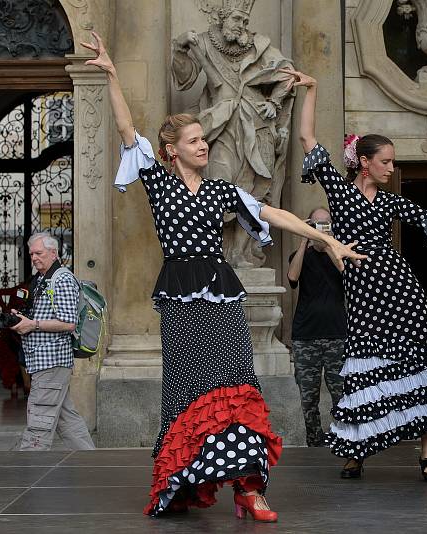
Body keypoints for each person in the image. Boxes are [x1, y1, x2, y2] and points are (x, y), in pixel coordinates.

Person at [82, 32, 365, 522]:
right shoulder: (157, 179)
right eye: (194, 142)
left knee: (236, 386)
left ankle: (249, 490)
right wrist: (110, 73)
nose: (204, 147)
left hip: (221, 293)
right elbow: (127, 127)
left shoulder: (221, 191)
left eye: (204, 141)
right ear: (171, 150)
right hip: (180, 299)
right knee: (187, 392)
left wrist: (327, 239)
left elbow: (276, 215)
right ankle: (185, 483)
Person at [287, 66, 427, 483]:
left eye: (392, 161)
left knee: (416, 367)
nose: (391, 168)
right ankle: (356, 451)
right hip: (365, 295)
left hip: (402, 293)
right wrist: (313, 88)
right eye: (385, 161)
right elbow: (307, 139)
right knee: (363, 370)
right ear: (365, 163)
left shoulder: (392, 203)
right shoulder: (338, 190)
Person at [171, 1, 295, 267]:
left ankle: (239, 253)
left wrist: (274, 101)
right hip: (221, 128)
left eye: (245, 21)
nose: (242, 26)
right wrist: (180, 48)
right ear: (223, 18)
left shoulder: (258, 46)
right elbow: (185, 80)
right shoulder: (203, 42)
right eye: (238, 19)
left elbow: (288, 74)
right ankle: (212, 253)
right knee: (217, 187)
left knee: (254, 192)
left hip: (257, 125)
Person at [11, 232, 95, 451]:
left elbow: (69, 323)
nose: (34, 258)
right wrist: (22, 319)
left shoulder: (62, 278)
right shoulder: (41, 279)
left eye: (39, 253)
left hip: (52, 360)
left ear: (53, 253)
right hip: (42, 360)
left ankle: (29, 467)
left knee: (39, 421)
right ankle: (91, 462)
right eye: (31, 254)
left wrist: (33, 324)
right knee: (67, 420)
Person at [287, 207, 347, 447]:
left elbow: (344, 271)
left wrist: (329, 242)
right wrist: (304, 239)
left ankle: (342, 438)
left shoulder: (339, 254)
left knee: (341, 395)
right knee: (308, 397)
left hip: (336, 335)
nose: (321, 227)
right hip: (306, 337)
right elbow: (292, 277)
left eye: (326, 223)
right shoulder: (301, 254)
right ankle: (314, 441)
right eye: (317, 224)